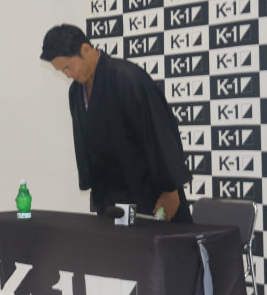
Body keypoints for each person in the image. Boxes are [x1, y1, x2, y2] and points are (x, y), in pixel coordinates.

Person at [40, 24, 192, 222]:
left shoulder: (128, 78)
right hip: (111, 197)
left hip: (149, 192)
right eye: (61, 71)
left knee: (157, 241)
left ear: (86, 49)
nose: (67, 75)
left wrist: (171, 190)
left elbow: (160, 131)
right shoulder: (76, 92)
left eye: (68, 67)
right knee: (119, 242)